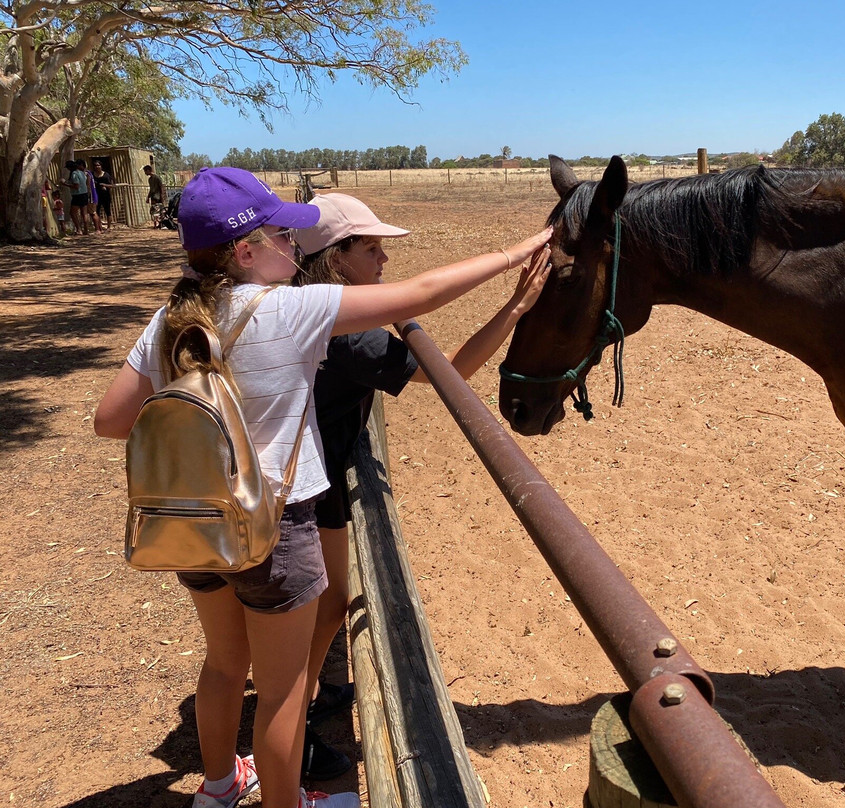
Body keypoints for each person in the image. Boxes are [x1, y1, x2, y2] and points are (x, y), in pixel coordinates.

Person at [94, 166, 551, 808]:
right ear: (245, 251)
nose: (294, 247)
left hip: (196, 526)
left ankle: (219, 788)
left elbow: (110, 421)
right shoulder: (293, 310)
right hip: (277, 528)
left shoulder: (172, 320)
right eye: (283, 235)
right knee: (282, 689)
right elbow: (420, 293)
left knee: (224, 664)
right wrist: (517, 253)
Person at [289, 193, 551, 779]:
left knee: (320, 603)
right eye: (372, 248)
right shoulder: (347, 334)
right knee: (324, 603)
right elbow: (449, 370)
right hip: (311, 483)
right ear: (336, 258)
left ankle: (302, 692)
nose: (384, 259)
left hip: (308, 470)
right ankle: (292, 722)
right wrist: (513, 306)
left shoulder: (304, 304)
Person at [63, 160, 88, 234]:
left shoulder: (74, 174)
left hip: (78, 195)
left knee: (72, 213)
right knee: (84, 213)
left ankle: (79, 229)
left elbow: (76, 186)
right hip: (84, 193)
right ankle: (86, 229)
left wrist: (64, 184)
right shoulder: (81, 172)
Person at [77, 159, 103, 233]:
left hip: (90, 195)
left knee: (93, 212)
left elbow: (88, 185)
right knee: (93, 212)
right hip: (92, 195)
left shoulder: (86, 173)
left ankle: (97, 229)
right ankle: (99, 228)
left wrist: (87, 195)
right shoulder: (89, 172)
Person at [93, 159, 115, 230]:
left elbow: (111, 185)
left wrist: (105, 185)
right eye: (96, 165)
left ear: (101, 166)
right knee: (97, 211)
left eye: (98, 165)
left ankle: (109, 227)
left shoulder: (106, 175)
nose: (97, 167)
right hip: (96, 196)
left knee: (107, 211)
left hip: (105, 196)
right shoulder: (92, 175)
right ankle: (99, 227)